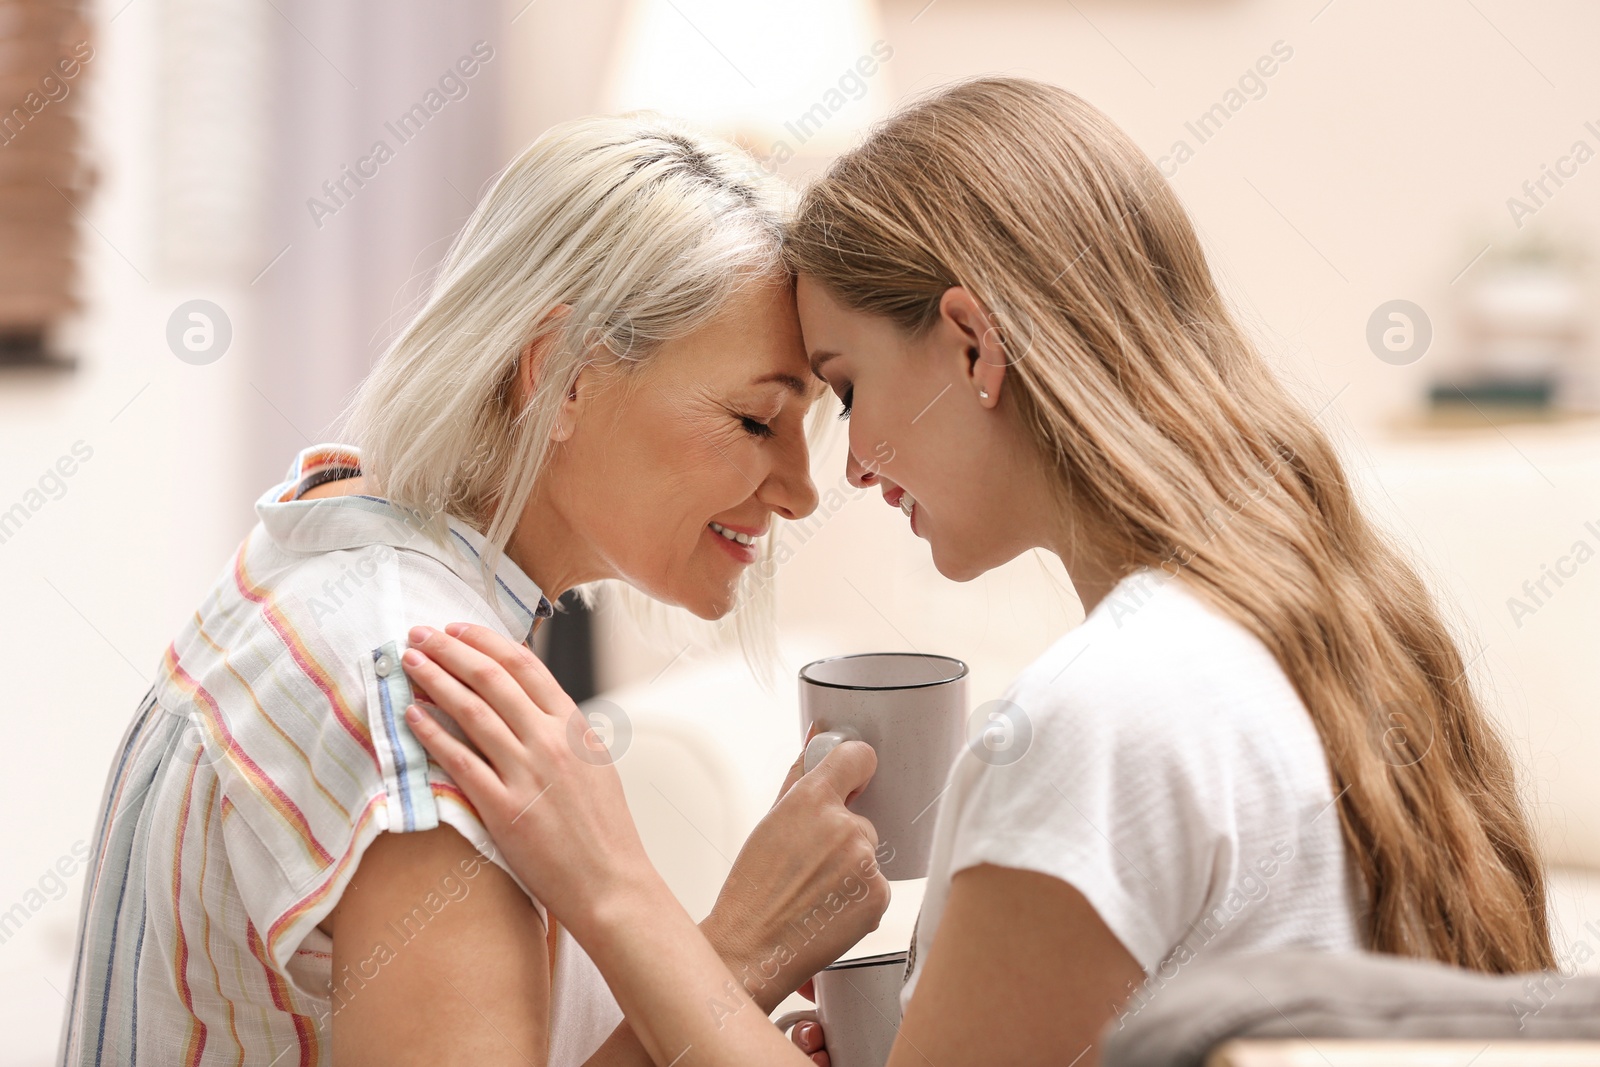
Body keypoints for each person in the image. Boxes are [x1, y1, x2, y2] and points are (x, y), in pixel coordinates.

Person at [400, 78, 1555, 1067]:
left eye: (844, 388)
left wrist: (614, 886)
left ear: (971, 342)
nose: (842, 467)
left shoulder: (1098, 719)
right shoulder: (1274, 631)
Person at [57, 113, 889, 1067]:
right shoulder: (425, 690)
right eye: (754, 419)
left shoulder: (309, 547)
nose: (801, 488)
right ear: (562, 375)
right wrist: (741, 954)